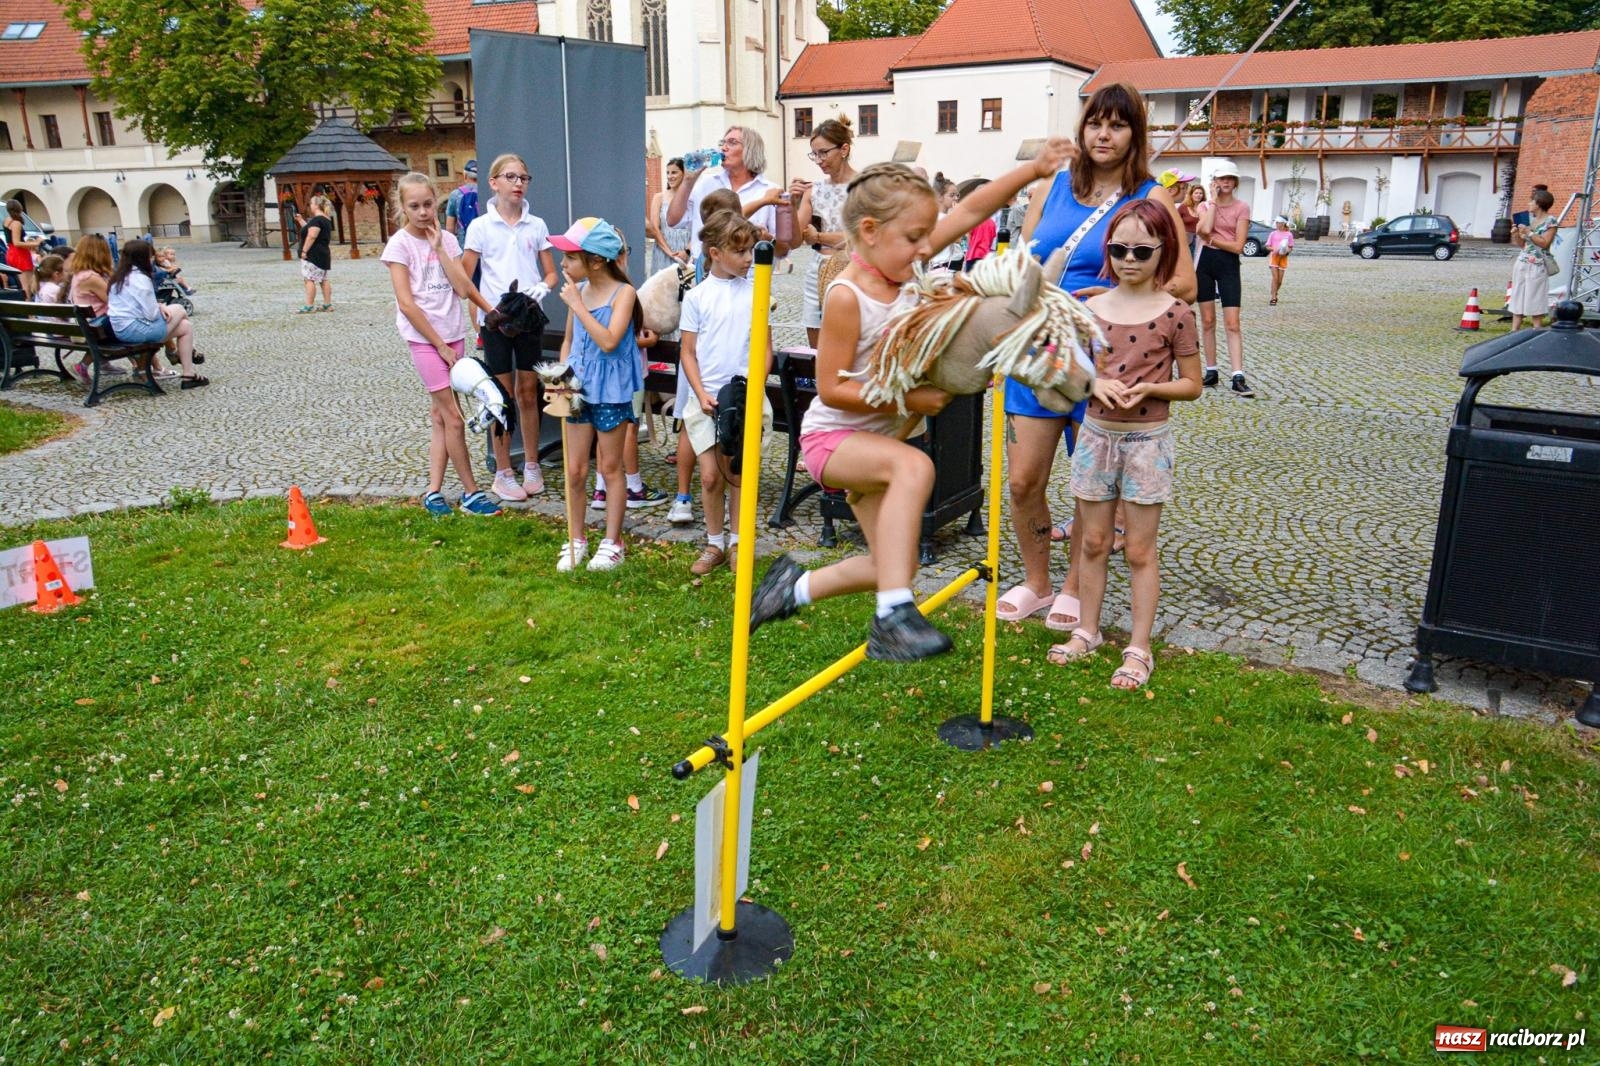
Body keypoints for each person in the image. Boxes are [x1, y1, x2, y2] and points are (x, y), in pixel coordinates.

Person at [749, 140, 1073, 661]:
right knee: (915, 470)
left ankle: (790, 589)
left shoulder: (905, 266)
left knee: (892, 565)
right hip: (836, 440)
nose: (926, 248)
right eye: (915, 238)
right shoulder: (847, 297)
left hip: (881, 441)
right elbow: (831, 388)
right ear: (871, 233)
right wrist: (910, 397)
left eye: (928, 235)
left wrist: (1033, 171)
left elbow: (969, 209)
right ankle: (891, 620)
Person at [1004, 82, 1197, 634]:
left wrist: (1116, 296)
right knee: (1023, 481)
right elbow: (1028, 260)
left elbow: (1182, 280)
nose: (1103, 134)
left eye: (1117, 125)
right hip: (1042, 354)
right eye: (1094, 123)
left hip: (1107, 363)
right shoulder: (1054, 187)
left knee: (1093, 486)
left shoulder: (1151, 197)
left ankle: (1072, 586)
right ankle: (1037, 581)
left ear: (1135, 133)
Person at [1046, 199, 1201, 689]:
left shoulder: (1176, 314)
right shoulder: (1091, 309)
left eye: (1142, 250)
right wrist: (1093, 386)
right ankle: (1087, 631)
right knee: (1090, 541)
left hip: (1146, 443)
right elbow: (1067, 372)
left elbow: (1193, 383)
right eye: (1119, 248)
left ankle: (1139, 646)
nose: (1129, 259)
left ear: (1164, 251)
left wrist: (1153, 388)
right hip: (1095, 438)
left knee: (1138, 549)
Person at [380, 171, 502, 518]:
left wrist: (439, 249)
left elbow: (463, 289)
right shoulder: (399, 246)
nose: (422, 212)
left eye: (428, 204)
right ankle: (470, 492)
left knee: (439, 417)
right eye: (414, 206)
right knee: (454, 418)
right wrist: (440, 347)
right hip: (425, 340)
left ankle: (433, 492)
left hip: (453, 334)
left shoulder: (447, 240)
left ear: (437, 202)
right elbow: (406, 303)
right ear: (402, 208)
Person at [461, 153, 560, 503]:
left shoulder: (537, 225)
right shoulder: (480, 227)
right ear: (494, 182)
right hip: (496, 320)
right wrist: (486, 311)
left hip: (529, 316)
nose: (518, 183)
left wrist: (543, 288)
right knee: (499, 398)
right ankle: (503, 471)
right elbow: (464, 276)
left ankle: (531, 463)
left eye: (524, 177)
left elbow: (551, 272)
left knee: (529, 392)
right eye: (511, 177)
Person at [678, 210, 770, 575]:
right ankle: (714, 542)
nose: (749, 258)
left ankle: (738, 541)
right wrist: (700, 393)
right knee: (711, 475)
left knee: (738, 472)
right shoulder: (698, 296)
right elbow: (687, 351)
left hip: (744, 396)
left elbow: (765, 348)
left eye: (750, 250)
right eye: (741, 252)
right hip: (707, 397)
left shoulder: (757, 292)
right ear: (715, 253)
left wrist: (754, 387)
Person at [551, 217, 644, 573]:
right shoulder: (581, 290)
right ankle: (576, 538)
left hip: (611, 391)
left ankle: (612, 541)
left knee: (609, 467)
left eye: (570, 258)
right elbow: (569, 341)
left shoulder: (624, 294)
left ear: (596, 260)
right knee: (574, 470)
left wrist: (577, 305)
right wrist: (561, 376)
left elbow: (608, 341)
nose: (563, 265)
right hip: (578, 389)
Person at [666, 126, 792, 263]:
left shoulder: (770, 191)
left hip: (751, 277)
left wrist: (767, 239)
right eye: (723, 143)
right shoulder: (706, 183)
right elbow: (673, 221)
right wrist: (687, 182)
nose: (723, 148)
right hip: (707, 273)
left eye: (732, 143)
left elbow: (783, 250)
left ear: (750, 150)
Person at [107, 239, 207, 389]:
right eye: (151, 257)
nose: (152, 260)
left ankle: (189, 374)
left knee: (185, 326)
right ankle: (182, 353)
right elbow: (151, 315)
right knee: (179, 309)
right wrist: (159, 307)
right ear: (143, 258)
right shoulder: (140, 279)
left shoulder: (118, 278)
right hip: (136, 332)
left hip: (121, 329)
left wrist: (159, 305)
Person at [793, 116, 857, 347]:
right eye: (814, 154)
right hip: (817, 266)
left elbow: (860, 236)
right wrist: (791, 203)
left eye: (823, 153)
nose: (818, 160)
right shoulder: (814, 190)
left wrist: (819, 237)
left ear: (843, 149)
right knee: (815, 338)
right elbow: (794, 239)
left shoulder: (862, 186)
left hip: (852, 267)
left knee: (848, 337)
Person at [1195, 160, 1252, 396]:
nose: (1226, 182)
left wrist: (1215, 241)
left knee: (1232, 322)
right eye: (1221, 179)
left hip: (1228, 264)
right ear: (1215, 182)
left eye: (1230, 178)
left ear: (1235, 182)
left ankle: (1238, 375)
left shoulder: (1242, 207)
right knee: (1207, 321)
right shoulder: (1205, 206)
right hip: (1205, 262)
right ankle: (1211, 370)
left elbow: (1238, 246)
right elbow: (1203, 230)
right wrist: (1214, 204)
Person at [1509, 187, 1557, 330]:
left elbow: (1545, 243)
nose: (1529, 204)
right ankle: (1514, 330)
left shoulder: (1550, 221)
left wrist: (1529, 233)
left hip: (1537, 263)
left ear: (1539, 204)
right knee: (1518, 294)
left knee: (1535, 296)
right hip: (1523, 261)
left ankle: (1537, 329)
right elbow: (1522, 245)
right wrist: (1516, 234)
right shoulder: (1529, 220)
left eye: (1532, 201)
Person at [645, 157, 694, 273]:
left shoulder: (693, 198)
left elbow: (700, 229)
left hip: (687, 255)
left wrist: (686, 251)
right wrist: (670, 253)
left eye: (674, 172)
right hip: (663, 253)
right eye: (668, 173)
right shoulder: (659, 198)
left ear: (684, 174)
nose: (670, 176)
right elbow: (655, 229)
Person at [297, 196, 334, 313]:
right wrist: (300, 220)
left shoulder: (316, 220)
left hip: (313, 254)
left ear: (316, 205)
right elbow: (309, 229)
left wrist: (304, 251)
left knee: (309, 279)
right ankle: (327, 305)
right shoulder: (326, 219)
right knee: (324, 279)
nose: (310, 205)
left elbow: (312, 235)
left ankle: (309, 306)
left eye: (311, 203)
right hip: (323, 253)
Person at [3, 200, 42, 299]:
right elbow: (17, 242)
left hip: (10, 253)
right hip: (19, 254)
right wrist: (36, 243)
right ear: (20, 208)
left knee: (23, 283)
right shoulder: (16, 223)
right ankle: (29, 312)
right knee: (27, 286)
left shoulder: (7, 220)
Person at [959, 179, 997, 270]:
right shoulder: (992, 222)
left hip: (972, 256)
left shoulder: (973, 220)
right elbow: (991, 241)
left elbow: (969, 237)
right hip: (986, 257)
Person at [1266, 215, 1293, 306]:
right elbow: (1267, 246)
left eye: (1278, 222)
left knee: (1280, 281)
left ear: (1283, 223)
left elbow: (1290, 247)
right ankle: (1273, 297)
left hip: (1283, 258)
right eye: (1276, 222)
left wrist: (1286, 251)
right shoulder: (1273, 234)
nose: (1276, 224)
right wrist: (1274, 249)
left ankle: (1275, 291)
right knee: (1275, 278)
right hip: (1274, 257)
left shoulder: (1289, 234)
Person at [1179, 184, 1206, 255]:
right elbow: (1175, 223)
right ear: (1191, 194)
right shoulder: (1183, 207)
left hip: (1200, 240)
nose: (1198, 195)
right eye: (1196, 193)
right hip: (1186, 241)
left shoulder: (1206, 208)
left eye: (1201, 193)